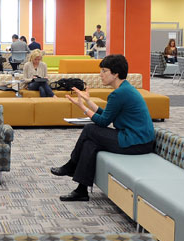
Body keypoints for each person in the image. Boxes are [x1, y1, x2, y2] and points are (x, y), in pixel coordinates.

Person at [51, 54, 155, 201]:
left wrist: (83, 108)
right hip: (136, 139)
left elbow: (103, 122)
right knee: (89, 143)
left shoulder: (120, 93)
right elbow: (106, 114)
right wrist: (87, 102)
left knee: (89, 129)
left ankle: (71, 165)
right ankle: (81, 191)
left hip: (137, 142)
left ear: (116, 74)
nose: (100, 75)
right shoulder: (124, 90)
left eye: (104, 71)